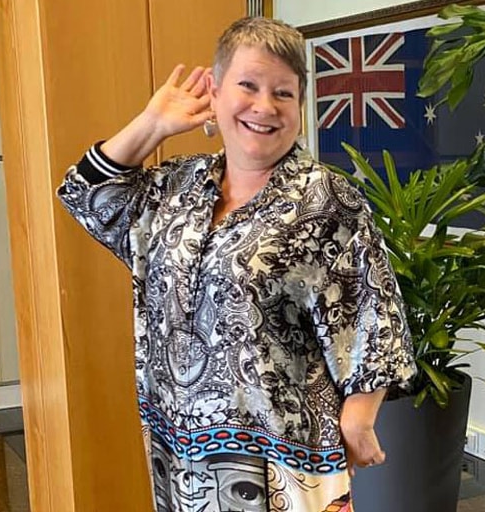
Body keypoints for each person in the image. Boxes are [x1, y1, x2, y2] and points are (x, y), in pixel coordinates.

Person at [57, 16, 416, 512]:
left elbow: (374, 312)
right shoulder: (174, 189)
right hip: (180, 447)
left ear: (300, 105)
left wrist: (358, 416)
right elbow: (85, 193)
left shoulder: (324, 198)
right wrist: (154, 124)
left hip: (282, 456)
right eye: (247, 85)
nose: (264, 107)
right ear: (216, 90)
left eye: (284, 93)